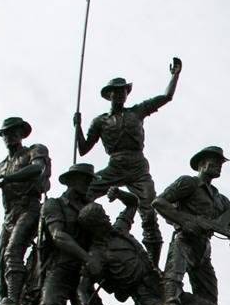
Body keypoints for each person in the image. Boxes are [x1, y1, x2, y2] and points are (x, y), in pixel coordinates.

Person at [74, 60, 182, 269]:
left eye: (122, 91)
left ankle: (152, 266)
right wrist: (78, 127)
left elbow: (166, 97)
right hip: (114, 165)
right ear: (109, 95)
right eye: (115, 92)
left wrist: (174, 75)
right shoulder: (100, 121)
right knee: (83, 194)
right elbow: (83, 149)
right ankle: (81, 239)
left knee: (150, 212)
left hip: (138, 167)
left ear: (126, 94)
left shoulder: (137, 112)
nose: (119, 94)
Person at [0, 116, 51, 305]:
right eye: (6, 133)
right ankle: (7, 301)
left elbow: (38, 168)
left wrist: (7, 179)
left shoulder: (34, 150)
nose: (9, 136)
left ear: (22, 134)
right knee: (1, 267)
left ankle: (14, 301)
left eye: (14, 132)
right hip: (9, 216)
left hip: (29, 208)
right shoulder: (1, 166)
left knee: (12, 252)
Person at [158, 146, 230, 305]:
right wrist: (184, 222)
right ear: (202, 163)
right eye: (215, 161)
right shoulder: (188, 183)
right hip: (184, 241)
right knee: (173, 281)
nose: (219, 165)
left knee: (210, 299)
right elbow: (160, 203)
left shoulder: (222, 200)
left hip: (204, 249)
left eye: (221, 163)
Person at [37, 163, 98, 305]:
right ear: (71, 181)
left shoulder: (89, 208)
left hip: (84, 273)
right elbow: (58, 236)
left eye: (90, 182)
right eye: (85, 180)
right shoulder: (54, 204)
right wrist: (87, 257)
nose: (88, 185)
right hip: (61, 267)